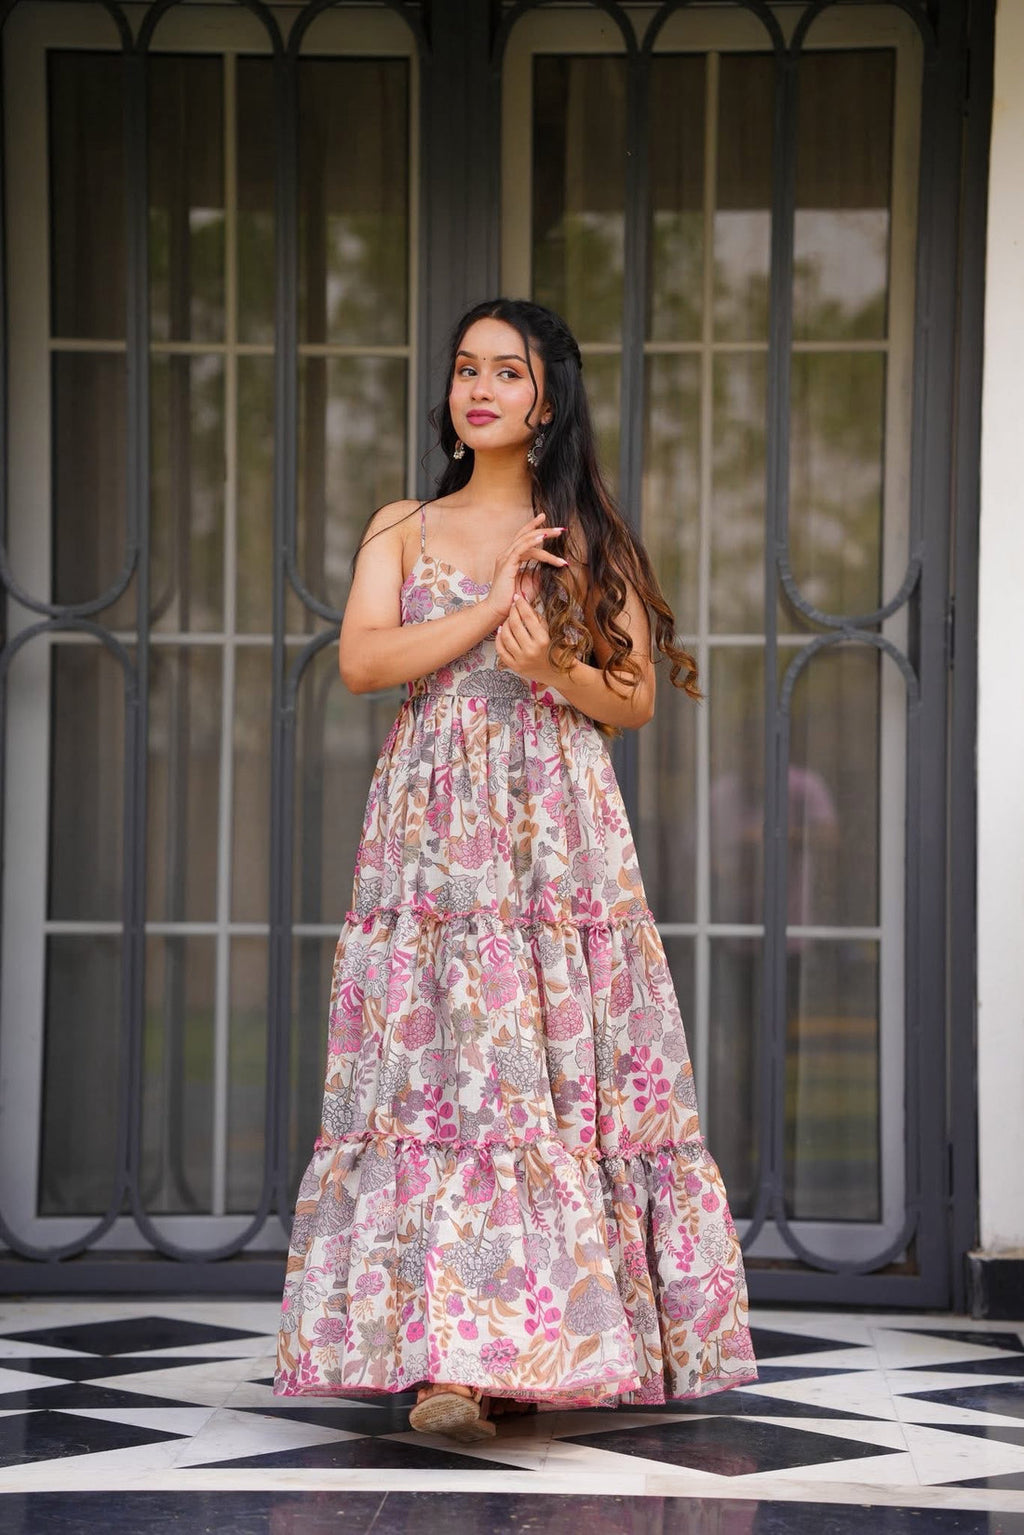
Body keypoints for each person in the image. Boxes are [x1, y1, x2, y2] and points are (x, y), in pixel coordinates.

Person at [273, 297, 757, 1440]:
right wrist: (489, 610)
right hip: (435, 838)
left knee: (543, 1080)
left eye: (506, 371)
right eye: (463, 369)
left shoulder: (586, 532)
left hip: (553, 834)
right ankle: (446, 1356)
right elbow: (360, 660)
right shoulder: (404, 524)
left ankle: (523, 1350)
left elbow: (631, 698)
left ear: (547, 398)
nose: (479, 388)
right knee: (440, 1080)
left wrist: (547, 668)